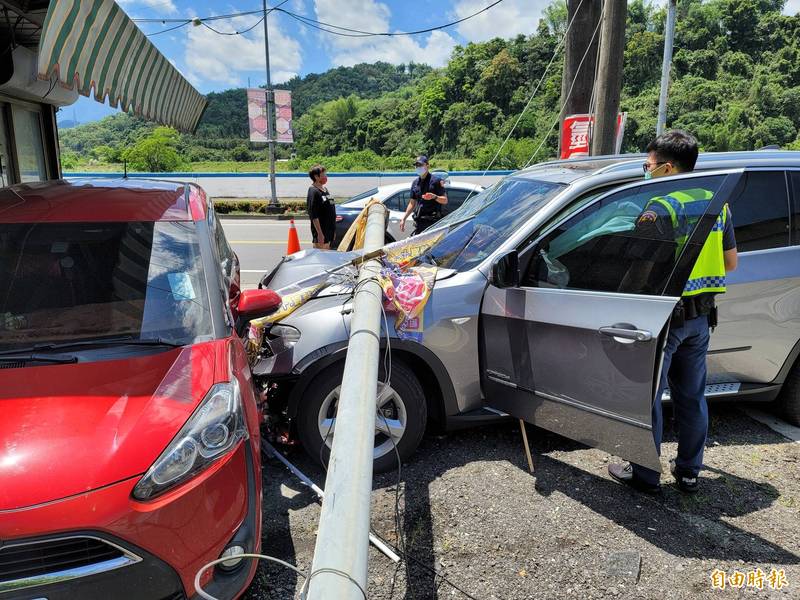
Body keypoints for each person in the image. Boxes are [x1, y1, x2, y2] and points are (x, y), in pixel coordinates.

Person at [608, 130, 738, 495]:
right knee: (692, 397)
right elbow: (731, 263)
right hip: (701, 319)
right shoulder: (719, 203)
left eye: (648, 166)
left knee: (646, 396)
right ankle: (690, 473)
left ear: (666, 168)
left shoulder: (661, 207)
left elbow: (640, 270)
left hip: (664, 319)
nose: (646, 171)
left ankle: (646, 475)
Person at [400, 155, 447, 235]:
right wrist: (404, 218)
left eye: (420, 165)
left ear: (427, 166)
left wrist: (434, 197)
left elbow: (445, 200)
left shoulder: (436, 181)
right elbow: (412, 203)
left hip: (433, 224)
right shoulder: (415, 183)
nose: (418, 167)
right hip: (420, 223)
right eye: (416, 165)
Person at [306, 164, 335, 249]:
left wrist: (333, 230)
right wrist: (320, 233)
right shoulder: (313, 191)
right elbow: (313, 215)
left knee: (327, 257)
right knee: (321, 258)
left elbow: (331, 208)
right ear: (316, 176)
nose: (326, 177)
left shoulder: (325, 189)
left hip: (329, 231)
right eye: (323, 175)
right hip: (321, 233)